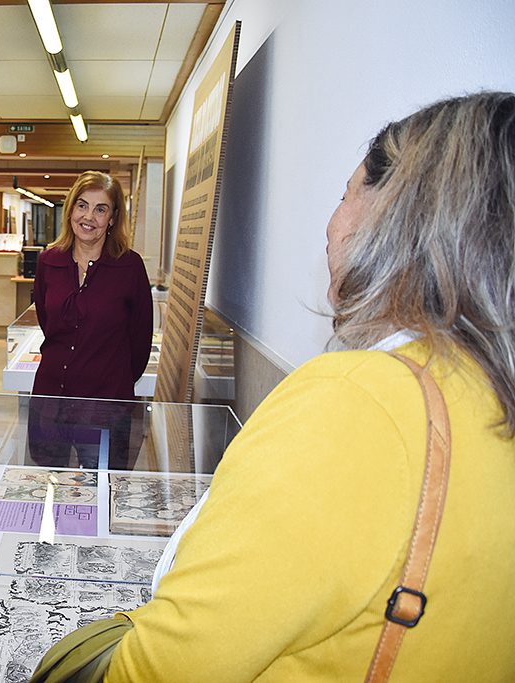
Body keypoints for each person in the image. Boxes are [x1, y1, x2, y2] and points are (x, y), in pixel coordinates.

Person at [40, 92, 515, 681]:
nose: (332, 221)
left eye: (346, 194)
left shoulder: (353, 400)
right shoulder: (483, 394)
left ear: (397, 220)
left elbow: (174, 659)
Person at [28, 171, 152, 469]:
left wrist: (112, 380)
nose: (89, 217)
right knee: (48, 490)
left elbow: (140, 341)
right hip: (50, 399)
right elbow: (50, 324)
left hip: (104, 406)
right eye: (82, 205)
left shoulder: (129, 266)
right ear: (70, 209)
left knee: (99, 494)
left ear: (112, 218)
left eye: (101, 209)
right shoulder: (49, 261)